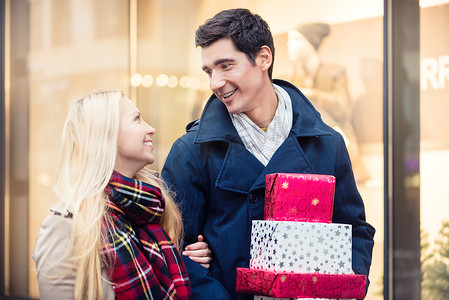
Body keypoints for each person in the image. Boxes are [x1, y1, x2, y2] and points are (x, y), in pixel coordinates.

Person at [162, 8, 375, 300]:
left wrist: (342, 289)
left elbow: (355, 232)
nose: (215, 83)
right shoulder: (191, 152)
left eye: (226, 65)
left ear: (264, 58)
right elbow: (172, 249)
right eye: (209, 71)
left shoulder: (328, 143)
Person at [33, 89, 211, 300]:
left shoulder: (145, 212)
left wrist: (185, 265)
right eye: (137, 119)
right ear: (105, 134)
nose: (151, 129)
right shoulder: (65, 225)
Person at [281, 22, 370, 184]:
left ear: (309, 43)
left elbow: (342, 108)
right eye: (288, 39)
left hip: (332, 142)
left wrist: (312, 94)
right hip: (300, 151)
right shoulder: (286, 76)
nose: (289, 45)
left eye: (295, 39)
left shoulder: (335, 72)